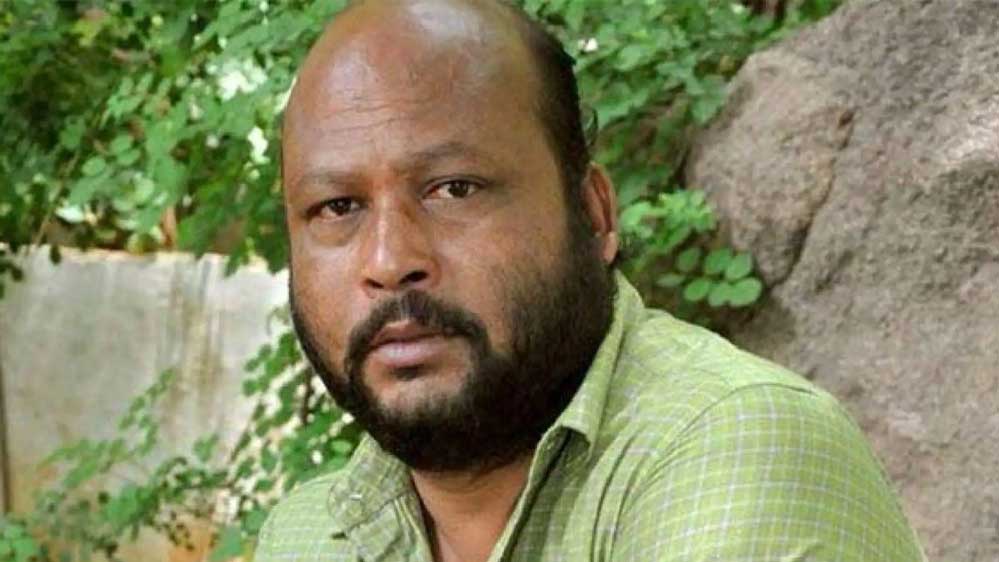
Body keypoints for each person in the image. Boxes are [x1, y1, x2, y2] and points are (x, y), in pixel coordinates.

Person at [257, 0, 926, 560]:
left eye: (454, 188)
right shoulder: (309, 534)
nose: (388, 259)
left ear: (594, 213)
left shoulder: (736, 443)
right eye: (337, 207)